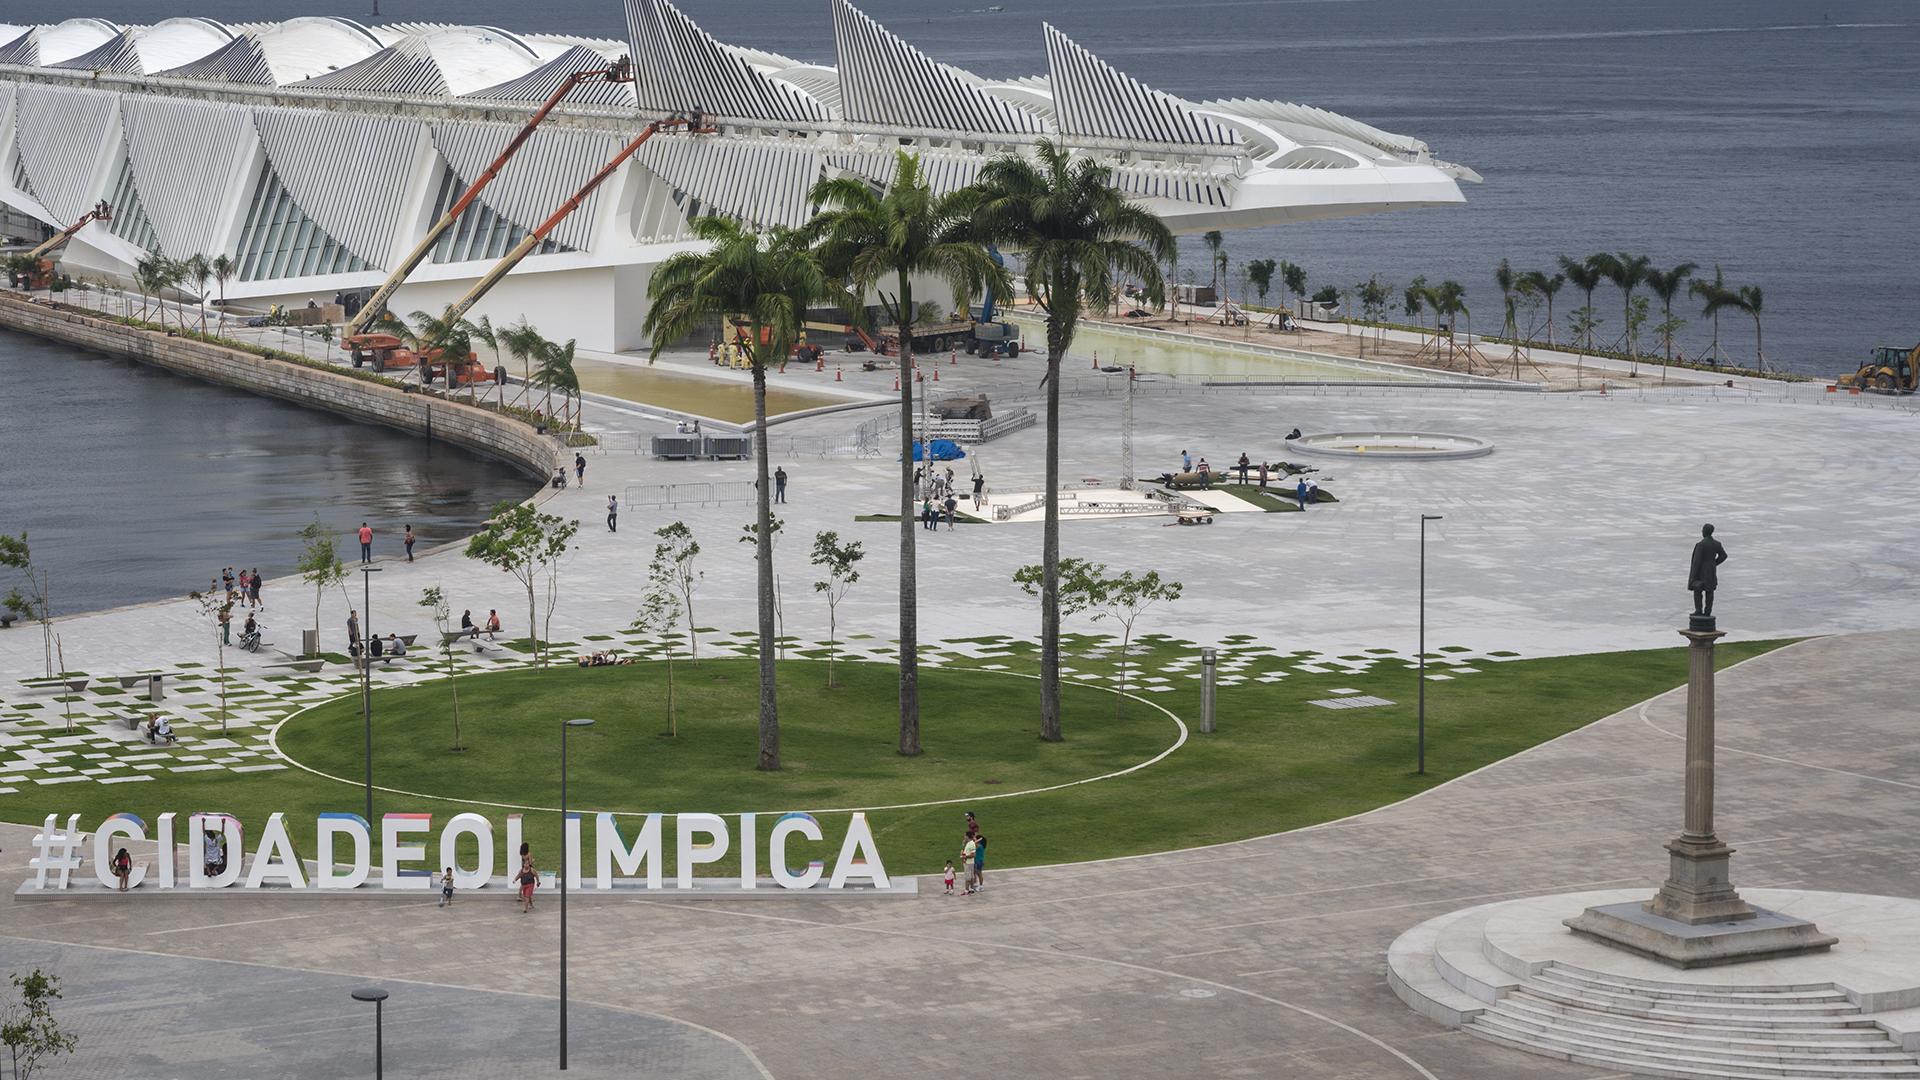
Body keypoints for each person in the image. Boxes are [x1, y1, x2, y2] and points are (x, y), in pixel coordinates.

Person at [516, 843, 536, 912]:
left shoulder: (522, 854)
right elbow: (530, 863)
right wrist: (533, 860)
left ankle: (519, 895)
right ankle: (529, 901)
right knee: (529, 884)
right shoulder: (529, 854)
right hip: (529, 870)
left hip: (523, 868)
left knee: (523, 884)